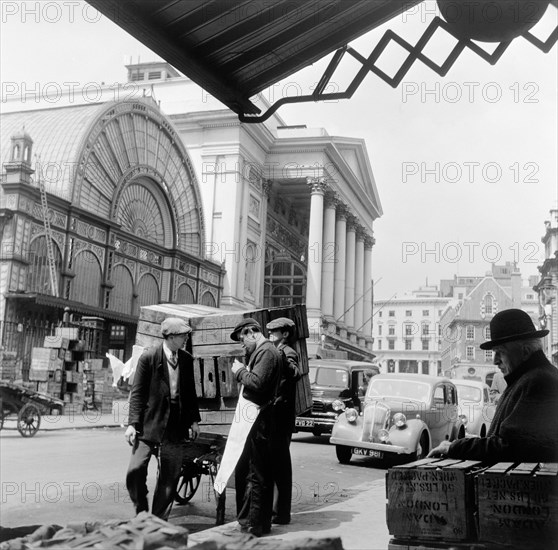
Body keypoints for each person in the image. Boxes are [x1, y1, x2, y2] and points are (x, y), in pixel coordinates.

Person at [428, 308, 558, 462]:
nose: (495, 361)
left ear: (525, 351)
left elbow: (510, 446)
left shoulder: (539, 381)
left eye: (500, 352)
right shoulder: (531, 378)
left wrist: (454, 447)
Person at [125, 317, 201, 520]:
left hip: (176, 425)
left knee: (170, 476)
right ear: (171, 337)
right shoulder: (148, 358)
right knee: (135, 470)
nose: (186, 338)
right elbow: (138, 393)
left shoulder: (185, 359)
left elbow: (190, 392)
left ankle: (158, 521)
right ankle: (141, 511)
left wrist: (194, 420)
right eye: (183, 335)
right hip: (149, 423)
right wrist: (133, 424)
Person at [230, 318, 282, 537]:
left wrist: (240, 371)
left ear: (252, 332)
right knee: (258, 472)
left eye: (243, 339)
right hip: (260, 419)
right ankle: (257, 523)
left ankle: (254, 524)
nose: (243, 344)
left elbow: (258, 383)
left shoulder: (267, 353)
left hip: (260, 422)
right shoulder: (264, 352)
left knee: (256, 473)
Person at [266, 317, 302, 525]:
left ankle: (280, 513)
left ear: (285, 334)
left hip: (281, 418)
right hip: (275, 417)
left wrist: (281, 356)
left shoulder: (288, 352)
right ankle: (276, 511)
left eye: (275, 331)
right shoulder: (277, 350)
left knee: (280, 465)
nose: (271, 334)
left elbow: (294, 372)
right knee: (275, 463)